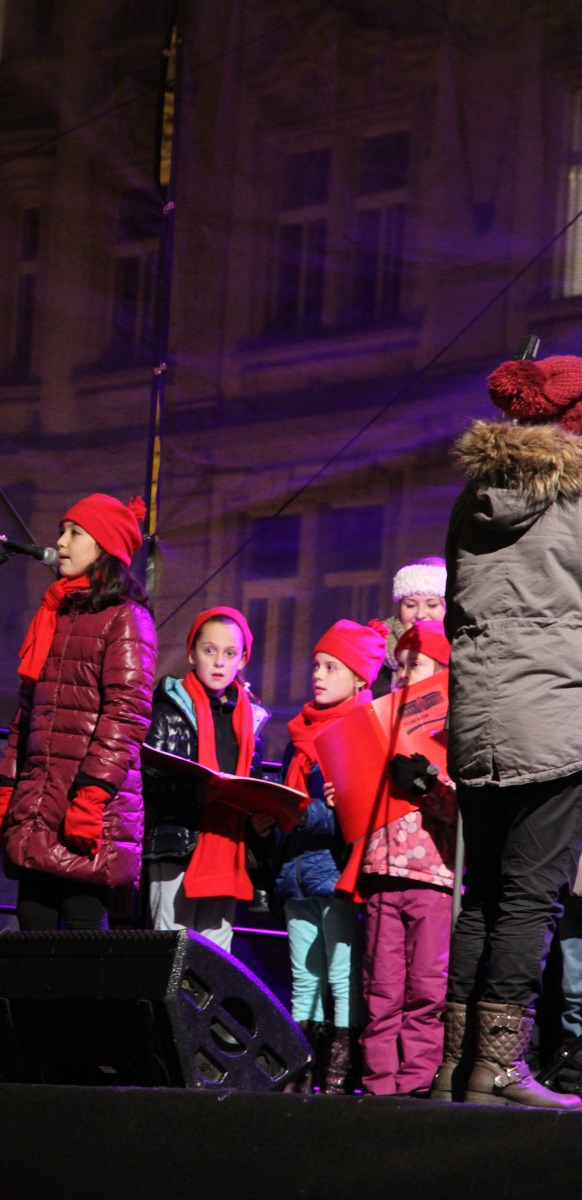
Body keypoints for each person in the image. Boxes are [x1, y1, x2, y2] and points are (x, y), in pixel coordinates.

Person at [434, 353, 582, 1109]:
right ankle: (498, 1069)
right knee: (530, 899)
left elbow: (456, 607)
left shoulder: (473, 498)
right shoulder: (577, 498)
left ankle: (454, 1067)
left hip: (478, 718)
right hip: (557, 718)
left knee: (482, 895)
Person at [0, 493, 157, 932]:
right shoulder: (55, 613)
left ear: (104, 546)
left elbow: (127, 715)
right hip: (40, 800)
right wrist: (8, 786)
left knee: (82, 938)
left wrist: (91, 796)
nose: (60, 542)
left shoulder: (126, 617)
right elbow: (27, 711)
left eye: (75, 533)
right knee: (32, 930)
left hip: (88, 805)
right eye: (62, 531)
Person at [274, 619, 387, 1093]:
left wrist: (299, 815)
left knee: (342, 977)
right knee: (304, 977)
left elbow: (355, 817)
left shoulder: (363, 730)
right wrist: (270, 816)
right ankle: (301, 1071)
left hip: (338, 874)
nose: (318, 675)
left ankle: (339, 1076)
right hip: (295, 873)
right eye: (316, 665)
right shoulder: (297, 736)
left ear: (360, 678)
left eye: (331, 667)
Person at [359, 620, 457, 1096]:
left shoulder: (455, 731)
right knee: (380, 989)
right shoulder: (381, 723)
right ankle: (379, 1087)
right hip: (383, 874)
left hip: (433, 878)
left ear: (442, 672)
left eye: (413, 664)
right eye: (397, 667)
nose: (401, 674)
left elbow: (462, 809)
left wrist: (428, 783)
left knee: (426, 989)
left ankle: (417, 1087)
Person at [142, 607, 269, 953]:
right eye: (209, 650)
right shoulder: (168, 707)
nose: (219, 662)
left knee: (215, 958)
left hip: (227, 846)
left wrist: (259, 815)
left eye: (230, 653)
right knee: (171, 950)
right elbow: (148, 779)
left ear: (243, 660)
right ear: (191, 653)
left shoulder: (250, 718)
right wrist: (197, 793)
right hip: (177, 844)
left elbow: (251, 782)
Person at [372, 557, 447, 697]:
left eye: (432, 605)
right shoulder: (375, 655)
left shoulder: (467, 653)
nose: (420, 614)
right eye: (410, 605)